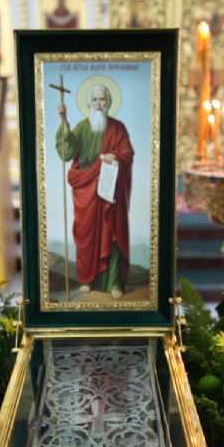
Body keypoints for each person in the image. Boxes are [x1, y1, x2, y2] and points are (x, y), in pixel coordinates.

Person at [56, 84, 134, 300]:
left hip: (110, 189)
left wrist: (115, 156)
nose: (99, 104)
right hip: (86, 190)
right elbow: (67, 152)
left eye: (103, 99)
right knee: (87, 234)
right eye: (95, 100)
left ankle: (115, 282)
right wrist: (64, 120)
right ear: (89, 103)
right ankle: (86, 280)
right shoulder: (81, 127)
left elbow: (127, 154)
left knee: (112, 233)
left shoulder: (118, 128)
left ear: (108, 102)